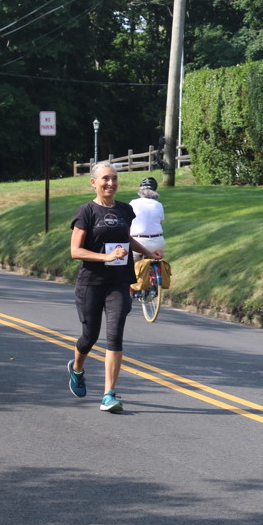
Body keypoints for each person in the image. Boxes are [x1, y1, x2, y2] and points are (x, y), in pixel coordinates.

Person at [67, 164, 163, 412]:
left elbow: (126, 239)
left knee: (115, 335)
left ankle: (109, 394)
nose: (111, 183)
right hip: (91, 282)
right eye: (105, 179)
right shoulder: (86, 211)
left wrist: (148, 252)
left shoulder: (125, 210)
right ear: (94, 182)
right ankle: (77, 368)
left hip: (119, 281)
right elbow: (75, 251)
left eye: (114, 179)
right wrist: (105, 257)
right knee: (89, 337)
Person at [129, 176, 165, 260]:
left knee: (133, 264)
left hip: (138, 241)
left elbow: (128, 223)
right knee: (157, 261)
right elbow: (160, 223)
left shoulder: (133, 203)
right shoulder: (158, 205)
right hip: (157, 242)